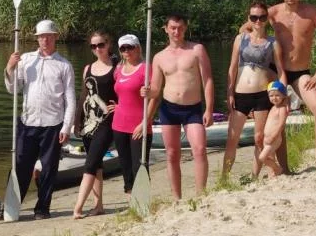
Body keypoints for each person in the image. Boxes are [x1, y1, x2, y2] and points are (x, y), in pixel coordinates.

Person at [3, 19, 76, 219]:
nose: (45, 40)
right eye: (41, 36)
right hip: (28, 122)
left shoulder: (64, 65)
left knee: (49, 168)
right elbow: (13, 89)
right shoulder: (26, 60)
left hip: (53, 124)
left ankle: (42, 208)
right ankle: (10, 206)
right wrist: (10, 68)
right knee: (20, 165)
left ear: (55, 37)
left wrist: (66, 127)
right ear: (37, 39)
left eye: (49, 36)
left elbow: (70, 99)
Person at [267, 0, 316, 172]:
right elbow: (246, 29)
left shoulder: (311, 12)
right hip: (277, 72)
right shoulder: (272, 13)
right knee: (276, 119)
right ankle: (283, 169)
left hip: (301, 73)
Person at [145, 14, 215, 198]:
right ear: (166, 29)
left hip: (193, 108)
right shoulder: (159, 57)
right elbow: (156, 89)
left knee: (199, 149)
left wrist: (209, 109)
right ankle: (177, 197)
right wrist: (146, 92)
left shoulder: (197, 50)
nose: (177, 32)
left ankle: (201, 194)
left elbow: (207, 80)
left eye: (180, 28)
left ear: (185, 28)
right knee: (172, 154)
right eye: (173, 28)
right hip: (169, 109)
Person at [222, 2, 287, 180]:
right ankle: (224, 179)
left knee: (259, 138)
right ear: (249, 18)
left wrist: (283, 94)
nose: (258, 21)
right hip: (240, 94)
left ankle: (254, 176)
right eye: (254, 17)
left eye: (262, 17)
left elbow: (281, 70)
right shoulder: (240, 39)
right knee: (232, 139)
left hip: (262, 95)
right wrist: (229, 92)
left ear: (267, 18)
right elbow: (232, 68)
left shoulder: (273, 42)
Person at [70, 31, 117, 219]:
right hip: (88, 123)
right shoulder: (88, 68)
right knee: (97, 165)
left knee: (90, 164)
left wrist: (120, 106)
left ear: (108, 44)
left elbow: (126, 90)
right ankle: (98, 206)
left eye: (101, 45)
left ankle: (78, 207)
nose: (97, 49)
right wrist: (77, 121)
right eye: (93, 46)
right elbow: (83, 96)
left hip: (107, 123)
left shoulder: (117, 67)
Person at [111, 34, 151, 195]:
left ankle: (142, 200)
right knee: (125, 167)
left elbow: (155, 97)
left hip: (139, 126)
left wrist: (145, 122)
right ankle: (130, 198)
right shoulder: (118, 69)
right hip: (119, 125)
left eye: (130, 47)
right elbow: (120, 93)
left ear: (138, 48)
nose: (126, 51)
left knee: (139, 166)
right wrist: (117, 106)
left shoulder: (146, 69)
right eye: (123, 48)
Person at [258, 82, 292, 177]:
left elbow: (281, 124)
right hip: (267, 138)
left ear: (283, 95)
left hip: (274, 138)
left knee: (262, 157)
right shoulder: (273, 107)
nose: (274, 98)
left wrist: (274, 136)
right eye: (271, 96)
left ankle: (278, 169)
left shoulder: (282, 109)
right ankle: (273, 174)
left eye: (277, 95)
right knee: (270, 157)